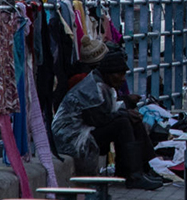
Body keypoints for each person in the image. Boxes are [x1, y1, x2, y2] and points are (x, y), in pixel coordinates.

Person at [50, 51, 163, 189]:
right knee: (123, 122)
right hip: (71, 138)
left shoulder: (102, 84)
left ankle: (142, 169)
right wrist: (126, 113)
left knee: (131, 119)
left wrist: (127, 104)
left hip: (86, 131)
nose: (123, 79)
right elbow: (99, 119)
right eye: (119, 74)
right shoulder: (93, 88)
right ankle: (133, 176)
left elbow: (108, 110)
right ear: (109, 73)